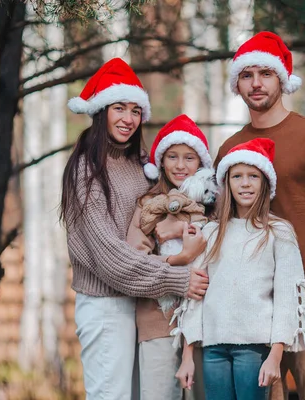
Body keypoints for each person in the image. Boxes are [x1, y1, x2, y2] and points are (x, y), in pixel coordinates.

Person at [214, 32, 305, 400]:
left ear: (282, 79)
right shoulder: (231, 150)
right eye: (247, 75)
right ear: (237, 83)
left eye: (266, 73)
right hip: (251, 308)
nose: (257, 83)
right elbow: (217, 226)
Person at [60, 58, 208, 400]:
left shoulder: (139, 161)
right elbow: (111, 259)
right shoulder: (87, 170)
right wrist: (179, 276)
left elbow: (161, 216)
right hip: (106, 305)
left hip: (144, 303)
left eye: (135, 110)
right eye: (118, 108)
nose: (128, 119)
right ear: (100, 112)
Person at [174, 137, 305, 400]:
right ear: (227, 183)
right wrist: (188, 355)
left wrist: (275, 354)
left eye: (253, 176)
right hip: (213, 348)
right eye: (237, 176)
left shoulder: (278, 232)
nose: (245, 183)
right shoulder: (211, 232)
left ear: (265, 183)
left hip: (254, 349)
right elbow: (194, 296)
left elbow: (287, 298)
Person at [127, 114, 212, 400]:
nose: (180, 165)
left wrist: (180, 229)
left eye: (189, 157)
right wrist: (178, 260)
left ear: (200, 163)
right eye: (172, 156)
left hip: (205, 325)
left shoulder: (213, 205)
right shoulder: (147, 206)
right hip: (158, 320)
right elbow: (135, 264)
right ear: (161, 161)